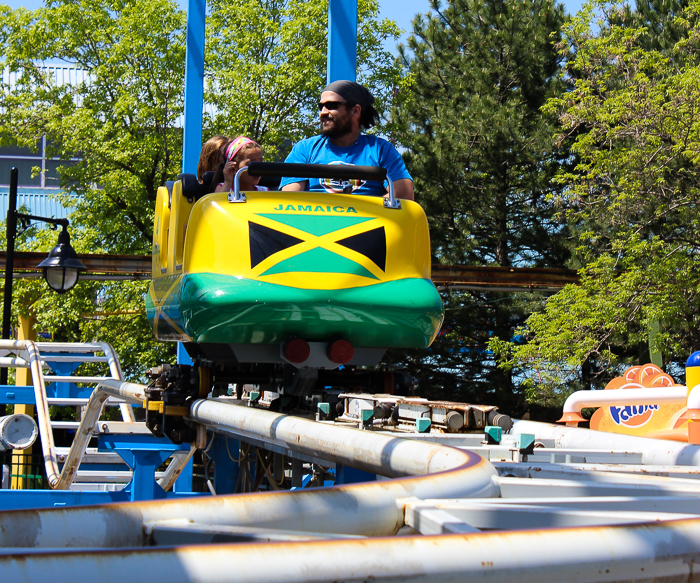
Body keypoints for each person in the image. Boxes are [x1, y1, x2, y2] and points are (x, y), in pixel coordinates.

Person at [280, 81, 414, 200]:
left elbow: (404, 195)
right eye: (321, 107)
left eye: (331, 105)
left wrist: (355, 210)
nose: (323, 112)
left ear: (355, 111)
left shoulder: (381, 150)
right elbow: (291, 200)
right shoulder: (305, 149)